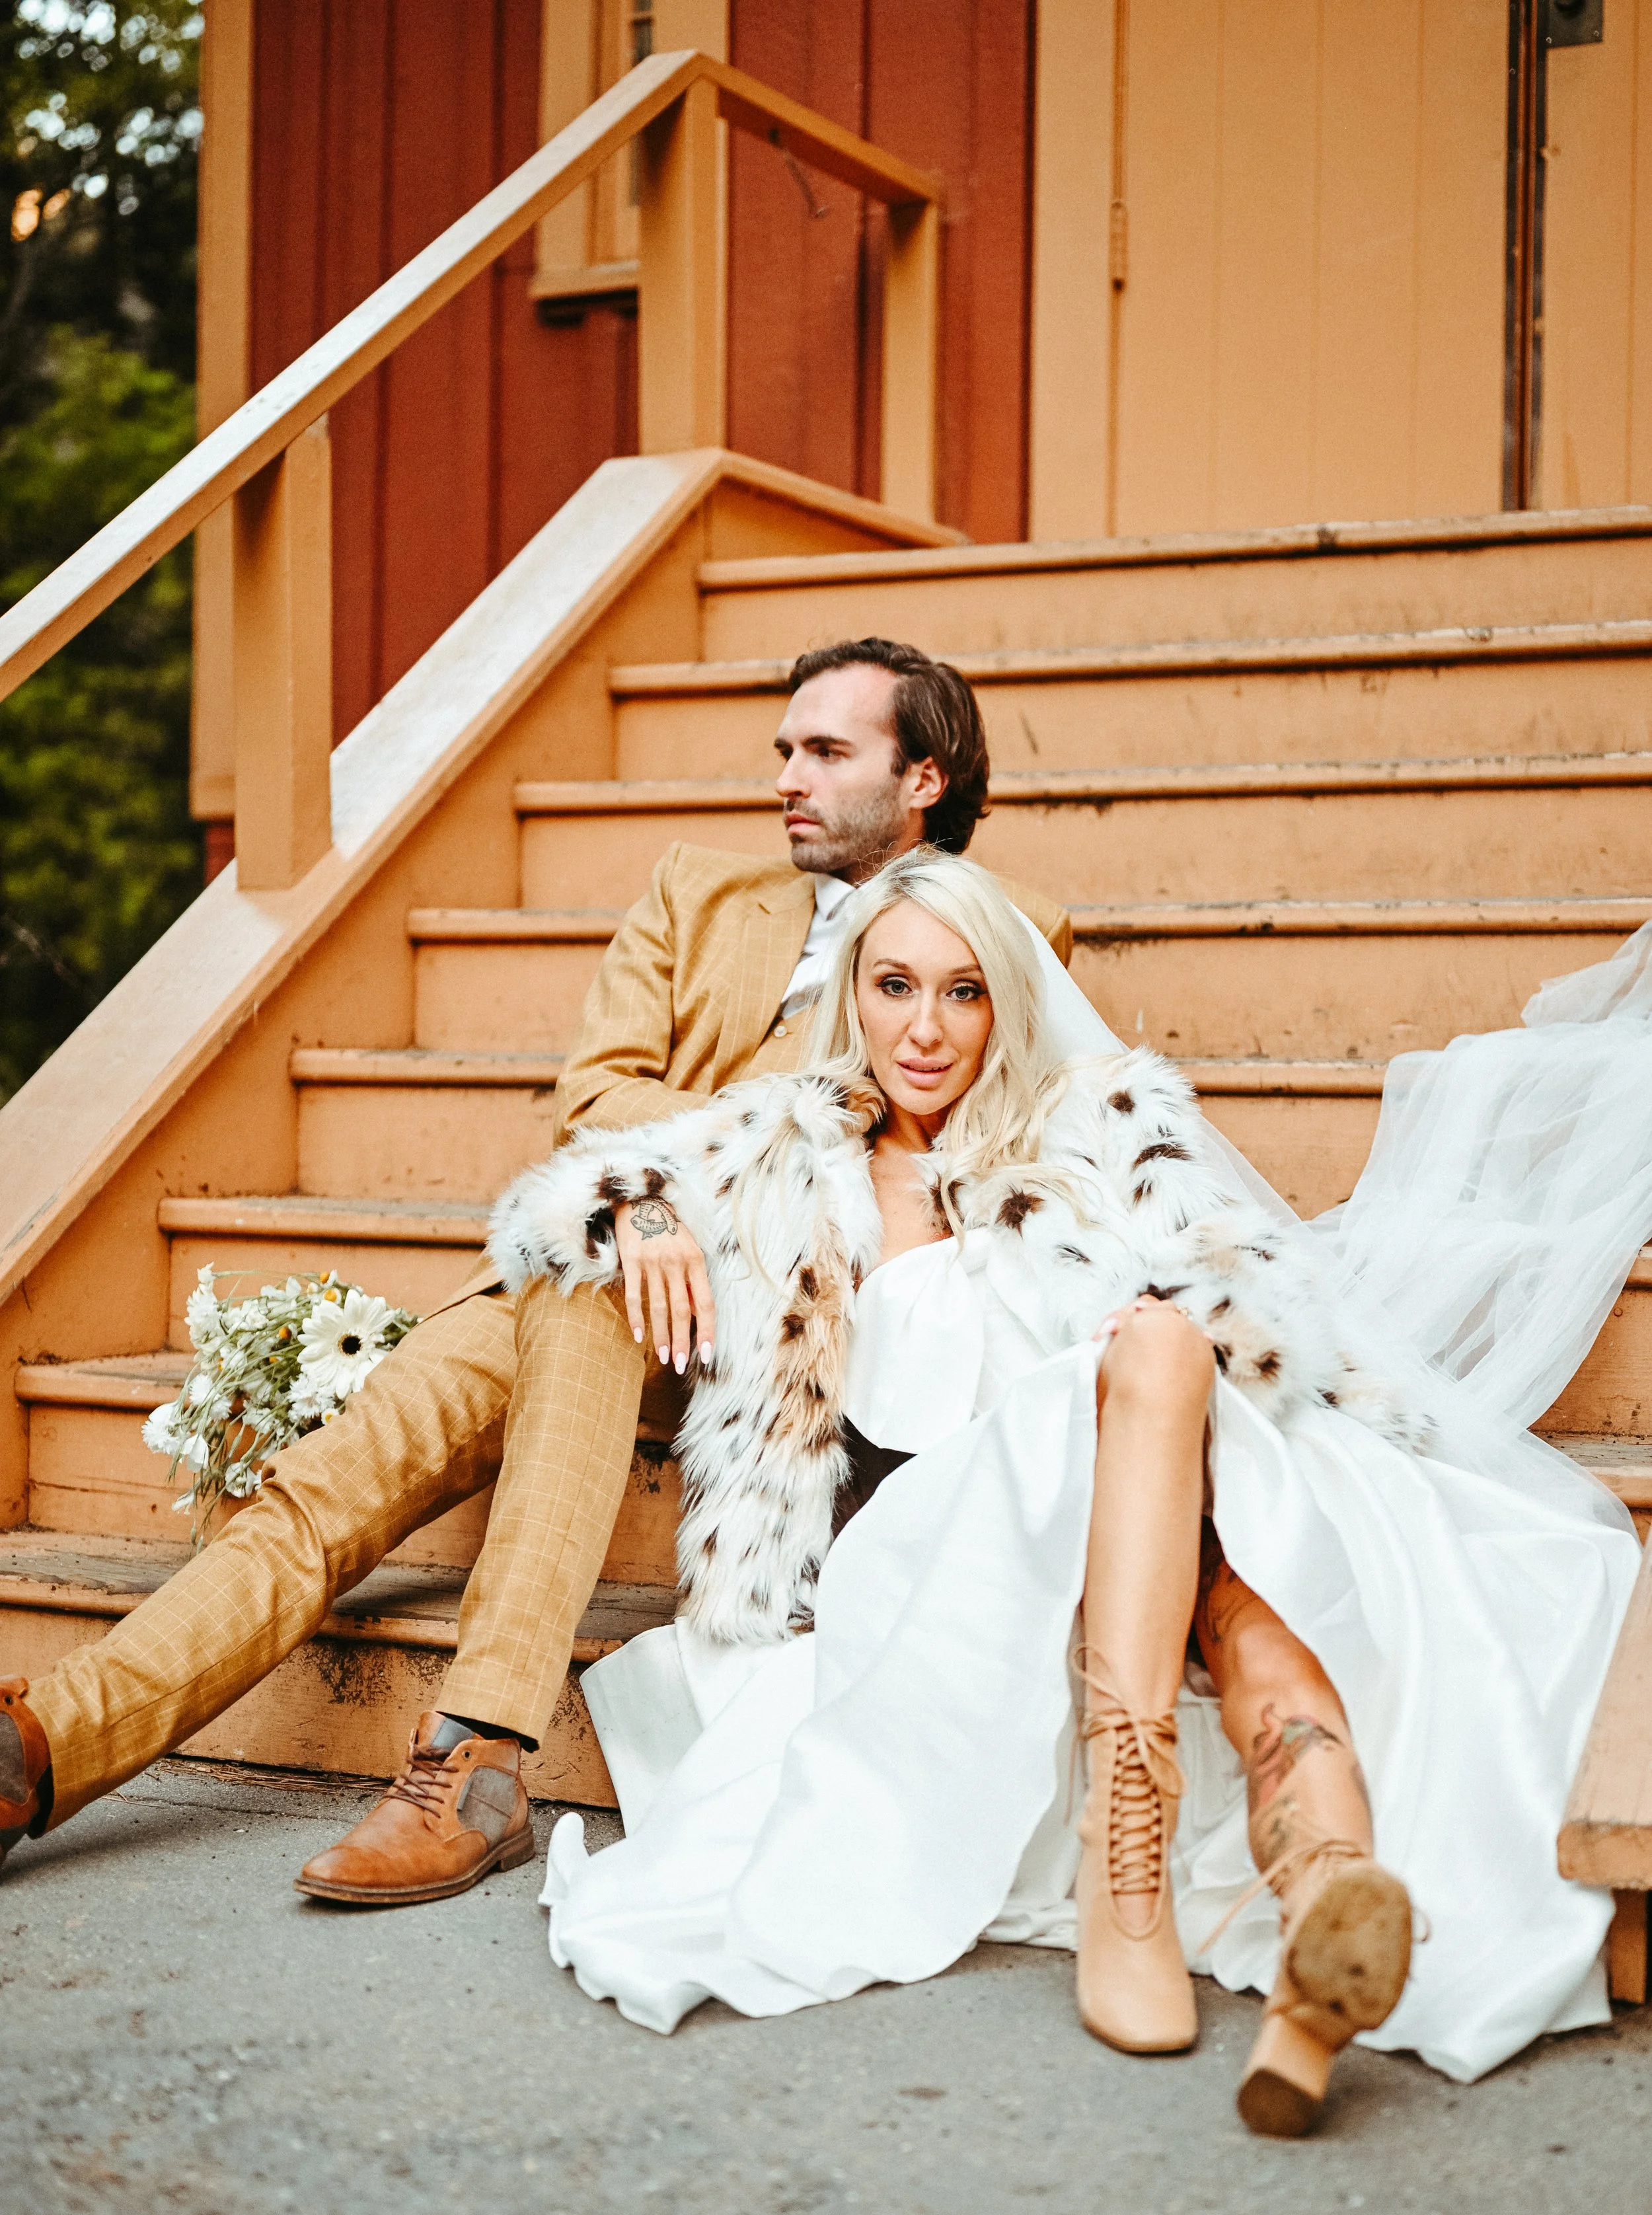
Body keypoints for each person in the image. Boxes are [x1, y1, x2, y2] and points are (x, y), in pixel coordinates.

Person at [488, 848, 1645, 2134]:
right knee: (1158, 1379)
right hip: (942, 1566)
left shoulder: (1091, 1125)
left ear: (1006, 1003)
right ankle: (1199, 1852)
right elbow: (552, 1211)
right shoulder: (777, 1148)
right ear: (851, 996)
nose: (924, 1031)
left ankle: (1297, 1904)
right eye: (893, 988)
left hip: (1135, 1524)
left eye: (963, 993)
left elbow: (1252, 1304)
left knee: (1234, 1544)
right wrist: (645, 1215)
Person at [0, 641, 1072, 1906]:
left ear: (923, 779)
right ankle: (42, 1748)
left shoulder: (1002, 943)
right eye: (785, 747)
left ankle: (477, 1751)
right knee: (326, 1485)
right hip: (598, 1265)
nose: (787, 774)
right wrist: (648, 1203)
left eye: (826, 752)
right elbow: (593, 1091)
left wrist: (682, 1186)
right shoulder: (698, 896)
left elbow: (961, 1142)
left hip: (772, 1337)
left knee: (579, 1289)